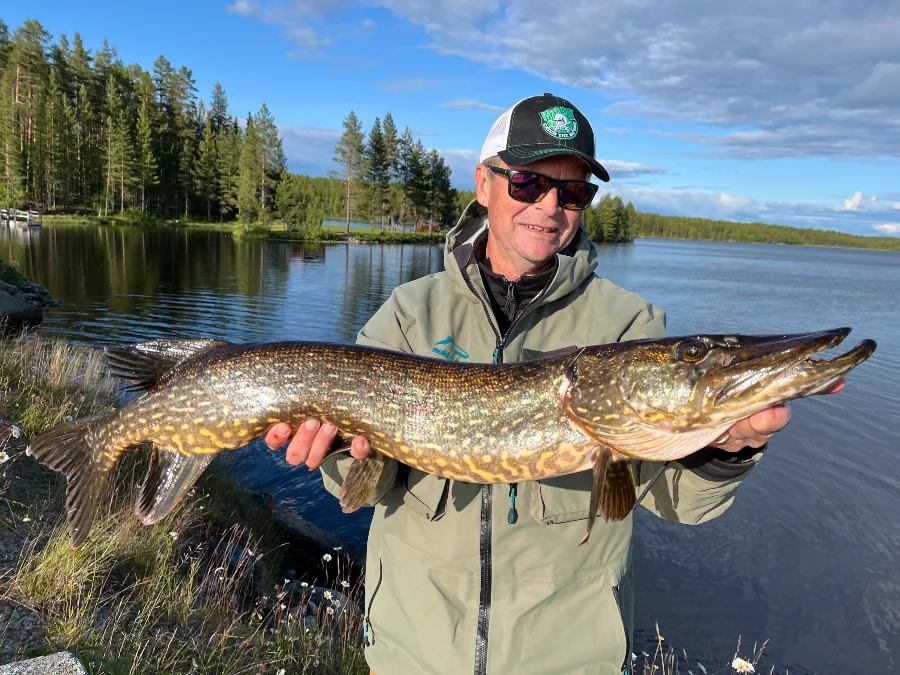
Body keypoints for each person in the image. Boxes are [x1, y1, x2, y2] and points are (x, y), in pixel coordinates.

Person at [265, 93, 844, 675]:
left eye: (572, 194)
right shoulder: (408, 314)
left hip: (569, 659)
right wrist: (336, 451)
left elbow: (678, 502)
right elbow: (367, 486)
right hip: (412, 653)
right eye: (528, 183)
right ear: (484, 184)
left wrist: (730, 448)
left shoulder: (627, 324)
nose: (549, 207)